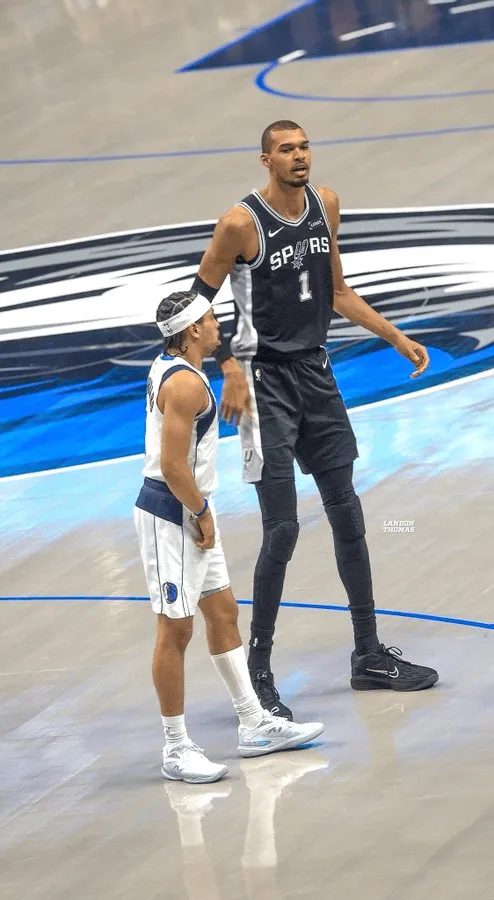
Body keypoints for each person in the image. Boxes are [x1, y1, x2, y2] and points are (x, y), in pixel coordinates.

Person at [192, 119, 439, 720]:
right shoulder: (240, 224)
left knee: (347, 513)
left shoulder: (325, 204)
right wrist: (228, 365)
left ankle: (368, 654)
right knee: (282, 529)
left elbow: (338, 292)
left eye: (304, 147)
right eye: (286, 150)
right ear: (265, 160)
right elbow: (196, 304)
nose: (299, 157)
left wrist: (396, 337)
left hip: (315, 374)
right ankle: (258, 674)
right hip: (262, 388)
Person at [133, 289, 324, 784]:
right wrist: (201, 512)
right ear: (193, 329)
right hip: (173, 512)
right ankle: (176, 747)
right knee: (174, 630)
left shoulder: (173, 367)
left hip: (191, 506)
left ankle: (253, 722)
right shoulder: (185, 385)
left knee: (222, 612)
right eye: (213, 318)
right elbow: (173, 466)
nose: (219, 326)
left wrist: (201, 509)